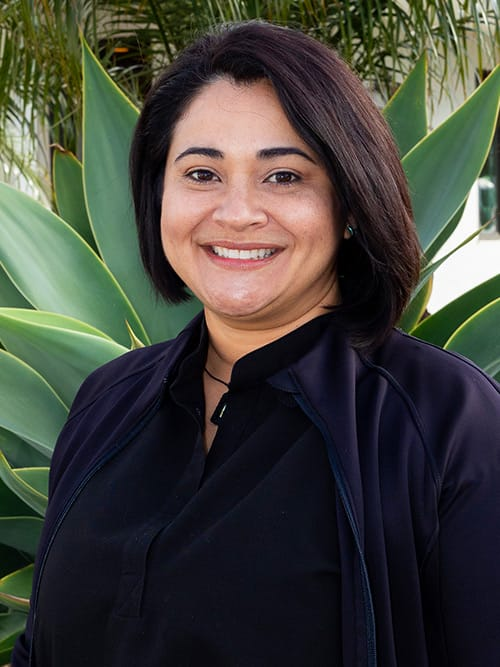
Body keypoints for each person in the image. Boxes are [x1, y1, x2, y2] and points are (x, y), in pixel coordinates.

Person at [13, 21, 500, 667]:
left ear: (351, 201)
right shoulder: (109, 399)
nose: (237, 211)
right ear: (159, 193)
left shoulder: (445, 421)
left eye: (284, 177)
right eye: (202, 172)